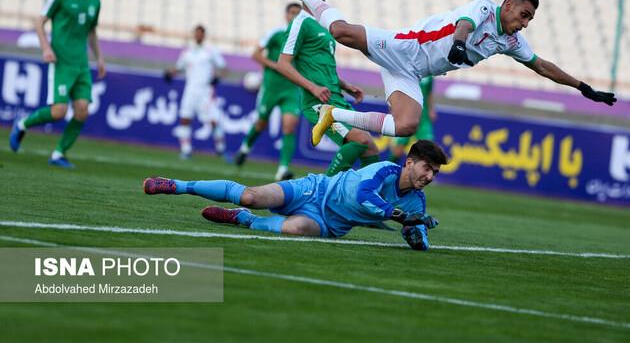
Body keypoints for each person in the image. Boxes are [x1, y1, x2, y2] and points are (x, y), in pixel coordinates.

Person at [274, 0, 617, 145]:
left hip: (411, 72)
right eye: (523, 15)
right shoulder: (485, 7)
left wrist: (583, 87)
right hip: (404, 46)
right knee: (341, 31)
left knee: (407, 125)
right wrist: (457, 42)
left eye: (529, 19)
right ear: (508, 5)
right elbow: (465, 23)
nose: (524, 24)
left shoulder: (511, 41)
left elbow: (542, 66)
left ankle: (334, 115)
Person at [144, 140, 447, 250]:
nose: (429, 176)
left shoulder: (416, 201)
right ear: (409, 162)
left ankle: (244, 221)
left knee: (295, 229)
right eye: (426, 168)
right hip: (313, 189)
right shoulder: (384, 170)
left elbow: (416, 234)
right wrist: (400, 216)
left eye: (434, 172)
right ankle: (177, 184)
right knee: (250, 195)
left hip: (330, 224)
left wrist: (417, 234)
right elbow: (363, 196)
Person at [275, 0, 380, 176]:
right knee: (361, 140)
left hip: (336, 98)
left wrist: (345, 85)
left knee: (370, 148)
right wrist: (313, 87)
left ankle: (367, 198)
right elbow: (283, 64)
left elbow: (321, 66)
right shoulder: (301, 23)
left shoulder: (326, 23)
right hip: (318, 104)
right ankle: (322, 192)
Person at [9, 0, 105, 168]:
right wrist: (46, 48)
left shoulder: (95, 1)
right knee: (58, 112)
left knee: (82, 111)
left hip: (81, 65)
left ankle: (58, 154)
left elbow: (92, 31)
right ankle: (22, 124)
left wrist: (99, 58)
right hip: (61, 62)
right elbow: (39, 21)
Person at [235, 3, 302, 181]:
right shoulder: (276, 33)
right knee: (260, 124)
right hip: (271, 87)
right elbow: (255, 54)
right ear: (286, 15)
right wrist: (277, 66)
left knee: (289, 126)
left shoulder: (304, 38)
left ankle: (282, 169)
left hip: (291, 90)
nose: (294, 16)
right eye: (292, 13)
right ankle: (245, 148)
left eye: (298, 13)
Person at [164, 25, 228, 159]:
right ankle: (186, 149)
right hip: (190, 90)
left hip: (206, 91)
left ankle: (220, 149)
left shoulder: (211, 51)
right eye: (196, 33)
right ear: (193, 35)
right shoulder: (187, 52)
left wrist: (218, 77)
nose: (198, 36)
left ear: (204, 35)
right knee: (185, 119)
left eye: (200, 33)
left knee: (213, 120)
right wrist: (170, 73)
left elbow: (223, 68)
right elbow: (179, 67)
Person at [389, 76, 436, 164]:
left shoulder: (429, 74)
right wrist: (393, 109)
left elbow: (429, 92)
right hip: (406, 116)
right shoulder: (406, 71)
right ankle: (389, 171)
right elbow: (395, 91)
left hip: (423, 117)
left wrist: (431, 109)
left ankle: (420, 176)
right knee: (397, 151)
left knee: (428, 149)